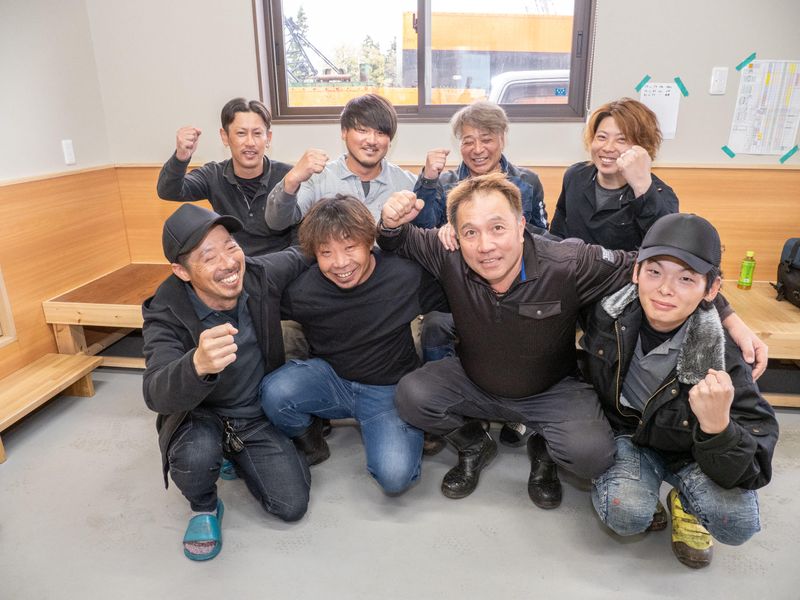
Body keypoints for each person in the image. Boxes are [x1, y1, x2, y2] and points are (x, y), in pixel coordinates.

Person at [376, 173, 766, 509]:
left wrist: (728, 316)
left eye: (497, 228)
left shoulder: (569, 262)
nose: (485, 246)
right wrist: (389, 222)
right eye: (470, 232)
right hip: (474, 379)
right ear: (456, 236)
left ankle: (543, 448)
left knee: (592, 455)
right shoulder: (448, 254)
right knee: (412, 395)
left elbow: (657, 268)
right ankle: (475, 444)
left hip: (551, 390)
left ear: (521, 225)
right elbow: (398, 241)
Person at [581, 213, 778, 569]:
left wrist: (718, 428)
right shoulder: (608, 314)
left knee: (737, 523)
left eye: (686, 278)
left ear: (712, 290)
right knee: (625, 512)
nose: (665, 289)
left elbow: (755, 466)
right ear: (636, 272)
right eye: (655, 272)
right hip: (630, 436)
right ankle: (642, 486)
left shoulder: (723, 355)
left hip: (693, 454)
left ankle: (684, 502)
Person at [142, 204, 310, 562]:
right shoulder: (165, 309)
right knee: (196, 455)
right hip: (199, 415)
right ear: (181, 271)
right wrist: (196, 365)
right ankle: (204, 506)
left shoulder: (259, 274)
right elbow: (154, 391)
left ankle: (235, 453)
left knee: (291, 504)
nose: (229, 262)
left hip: (253, 413)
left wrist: (381, 235)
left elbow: (303, 252)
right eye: (208, 256)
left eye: (231, 246)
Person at [260, 195, 447, 494]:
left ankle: (406, 429)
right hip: (331, 380)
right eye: (326, 252)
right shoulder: (302, 290)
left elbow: (457, 302)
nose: (340, 263)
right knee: (275, 392)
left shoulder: (405, 275)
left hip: (389, 390)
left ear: (369, 241)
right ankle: (311, 440)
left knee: (395, 476)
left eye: (350, 247)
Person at [157, 98, 295, 256]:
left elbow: (300, 244)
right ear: (225, 136)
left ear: (268, 138)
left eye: (257, 133)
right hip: (233, 263)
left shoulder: (289, 177)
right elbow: (168, 191)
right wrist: (181, 157)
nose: (250, 142)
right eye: (241, 133)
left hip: (280, 264)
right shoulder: (213, 175)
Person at [265, 94, 416, 230]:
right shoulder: (319, 178)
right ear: (344, 132)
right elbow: (277, 222)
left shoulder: (408, 183)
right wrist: (292, 179)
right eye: (362, 130)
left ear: (390, 140)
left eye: (380, 133)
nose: (371, 140)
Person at [550, 97, 678, 250]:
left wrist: (642, 188)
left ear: (642, 147)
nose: (608, 148)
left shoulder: (661, 195)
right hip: (573, 263)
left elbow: (664, 247)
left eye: (621, 140)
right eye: (602, 137)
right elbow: (558, 229)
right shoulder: (575, 176)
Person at [412, 100, 547, 230]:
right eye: (468, 142)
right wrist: (428, 179)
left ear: (502, 140)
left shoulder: (528, 182)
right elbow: (421, 229)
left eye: (486, 140)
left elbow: (541, 234)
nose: (477, 150)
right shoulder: (444, 184)